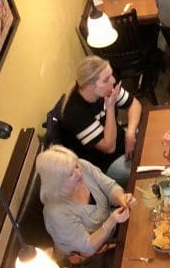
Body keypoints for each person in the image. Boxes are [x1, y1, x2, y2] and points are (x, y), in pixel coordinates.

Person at [36, 145, 134, 263]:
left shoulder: (82, 166)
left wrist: (122, 199)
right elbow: (87, 247)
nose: (78, 173)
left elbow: (109, 187)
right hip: (91, 260)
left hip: (114, 234)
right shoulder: (55, 212)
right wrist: (111, 221)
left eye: (76, 166)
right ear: (57, 181)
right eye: (70, 174)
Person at [59, 57, 142, 186]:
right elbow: (109, 147)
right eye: (106, 79)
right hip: (106, 164)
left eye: (111, 75)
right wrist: (109, 107)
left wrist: (130, 133)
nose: (113, 80)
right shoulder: (75, 113)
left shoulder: (106, 87)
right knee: (145, 171)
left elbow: (134, 105)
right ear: (91, 86)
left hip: (123, 142)